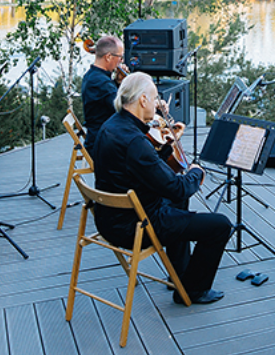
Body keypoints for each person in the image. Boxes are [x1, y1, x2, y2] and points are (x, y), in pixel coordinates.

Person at [91, 72, 230, 305]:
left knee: (178, 204)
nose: (157, 105)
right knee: (220, 226)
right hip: (136, 225)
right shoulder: (135, 140)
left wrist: (169, 143)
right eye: (155, 98)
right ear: (142, 100)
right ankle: (193, 291)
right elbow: (177, 188)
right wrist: (197, 172)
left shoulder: (112, 125)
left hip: (109, 218)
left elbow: (144, 167)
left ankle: (180, 274)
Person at [80, 34, 124, 142]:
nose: (121, 61)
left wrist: (118, 82)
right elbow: (123, 109)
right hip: (103, 141)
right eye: (120, 57)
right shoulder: (100, 82)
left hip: (102, 135)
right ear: (108, 57)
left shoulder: (93, 75)